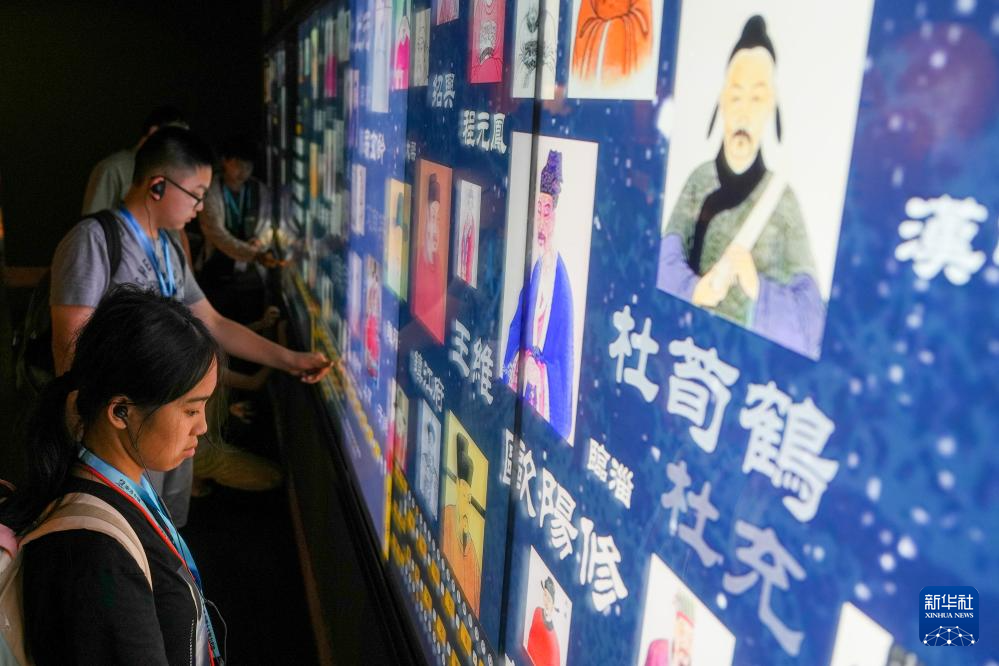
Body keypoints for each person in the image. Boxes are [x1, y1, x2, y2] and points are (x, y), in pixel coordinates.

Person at [50, 126, 330, 526]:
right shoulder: (94, 240)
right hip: (119, 437)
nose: (200, 207)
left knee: (164, 533)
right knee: (122, 532)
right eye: (196, 194)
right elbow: (69, 347)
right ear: (158, 186)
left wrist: (291, 360)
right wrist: (91, 435)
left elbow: (212, 322)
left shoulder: (168, 248)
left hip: (168, 431)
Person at [0, 286, 225, 664]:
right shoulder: (94, 554)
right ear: (121, 411)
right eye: (190, 410)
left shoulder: (123, 485)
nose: (201, 426)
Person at [656, 15, 823, 358]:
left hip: (745, 361)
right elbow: (664, 258)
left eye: (756, 98)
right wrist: (694, 290)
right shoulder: (700, 180)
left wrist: (757, 287)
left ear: (771, 106)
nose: (744, 113)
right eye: (736, 96)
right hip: (686, 347)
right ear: (721, 101)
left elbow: (812, 320)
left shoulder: (783, 201)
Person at [501, 150, 574, 441]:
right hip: (524, 387)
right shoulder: (536, 270)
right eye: (537, 211)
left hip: (541, 396)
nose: (541, 222)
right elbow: (517, 325)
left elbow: (563, 361)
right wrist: (521, 357)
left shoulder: (561, 281)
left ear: (555, 217)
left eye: (547, 212)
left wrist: (540, 372)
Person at [196, 134, 278, 325]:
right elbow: (217, 235)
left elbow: (268, 225)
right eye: (239, 164)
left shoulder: (260, 189)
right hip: (218, 272)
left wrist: (261, 241)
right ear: (224, 161)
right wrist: (253, 253)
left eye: (248, 166)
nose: (244, 171)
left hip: (252, 278)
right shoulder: (210, 190)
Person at [81, 105, 189, 215]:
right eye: (174, 137)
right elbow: (92, 220)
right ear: (153, 132)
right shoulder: (113, 169)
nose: (178, 146)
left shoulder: (169, 172)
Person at [440, 433, 481, 614]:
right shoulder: (446, 515)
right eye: (463, 495)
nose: (465, 503)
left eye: (468, 498)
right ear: (457, 487)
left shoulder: (472, 553)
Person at [412, 173, 445, 341]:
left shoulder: (438, 261)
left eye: (438, 219)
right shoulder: (417, 260)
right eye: (432, 218)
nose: (435, 227)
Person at [643, 591, 696, 666]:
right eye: (681, 631)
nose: (684, 641)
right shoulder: (659, 649)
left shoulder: (686, 659)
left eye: (690, 638)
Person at [526, 577, 560, 666]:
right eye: (545, 595)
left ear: (553, 603)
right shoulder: (537, 611)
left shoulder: (554, 639)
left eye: (549, 598)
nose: (546, 601)